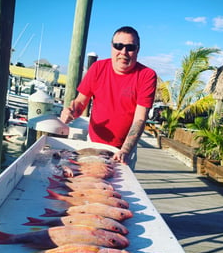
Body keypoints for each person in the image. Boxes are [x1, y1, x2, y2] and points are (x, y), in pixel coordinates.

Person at [61, 26, 157, 169]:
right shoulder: (97, 68)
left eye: (130, 47)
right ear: (112, 47)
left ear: (138, 49)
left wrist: (124, 150)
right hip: (93, 144)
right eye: (119, 46)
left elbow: (140, 118)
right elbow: (81, 102)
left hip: (123, 150)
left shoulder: (147, 75)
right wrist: (71, 112)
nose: (123, 52)